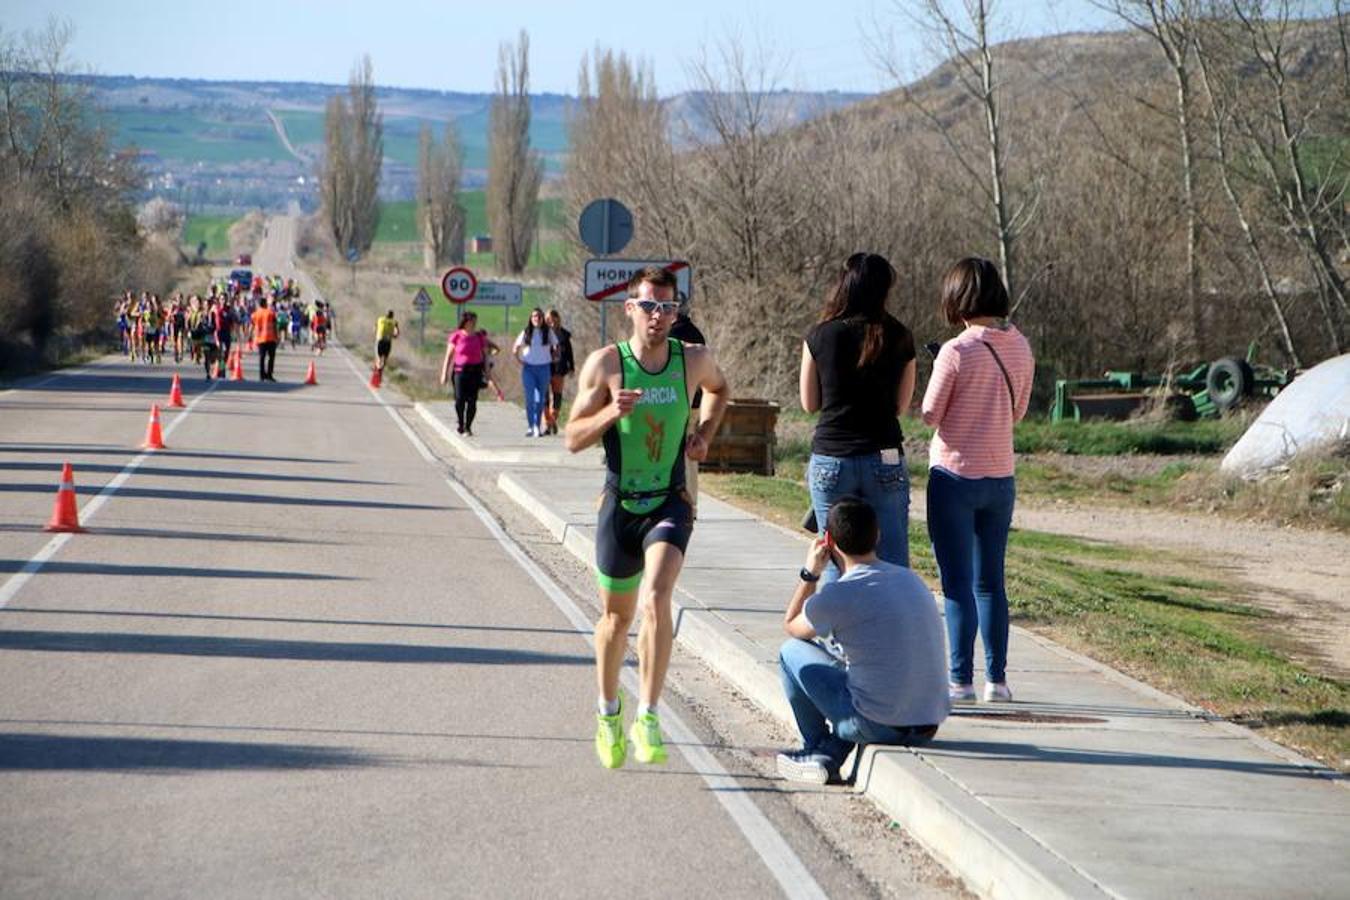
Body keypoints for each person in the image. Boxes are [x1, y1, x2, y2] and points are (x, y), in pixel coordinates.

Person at [564, 266, 729, 769]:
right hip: (621, 505)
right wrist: (613, 413)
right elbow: (572, 437)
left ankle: (649, 715)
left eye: (668, 307)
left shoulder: (692, 359)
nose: (659, 316)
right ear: (630, 308)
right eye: (649, 306)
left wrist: (703, 433)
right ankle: (609, 712)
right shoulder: (606, 365)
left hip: (669, 500)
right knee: (616, 621)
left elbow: (720, 390)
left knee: (658, 598)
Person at [921, 257, 1034, 704]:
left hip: (953, 474)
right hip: (1000, 476)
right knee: (991, 582)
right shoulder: (1021, 345)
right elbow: (1019, 412)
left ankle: (959, 680)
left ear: (957, 299)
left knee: (956, 584)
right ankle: (998, 681)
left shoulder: (955, 351)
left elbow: (930, 413)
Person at [777, 497, 949, 784]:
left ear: (828, 541)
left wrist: (810, 573)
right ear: (878, 534)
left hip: (877, 724)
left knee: (790, 652)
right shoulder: (912, 580)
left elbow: (792, 626)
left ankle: (818, 748)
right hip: (928, 723)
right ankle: (829, 752)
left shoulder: (839, 594)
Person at [800, 252, 917, 585]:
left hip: (832, 458)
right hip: (885, 456)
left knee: (834, 560)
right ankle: (890, 632)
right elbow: (900, 407)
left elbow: (809, 403)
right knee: (893, 559)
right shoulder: (900, 336)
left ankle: (841, 633)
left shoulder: (820, 336)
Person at [668, 298, 706, 518]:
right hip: (695, 402)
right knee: (689, 453)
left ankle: (682, 502)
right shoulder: (696, 333)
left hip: (676, 401)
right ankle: (691, 503)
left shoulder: (670, 337)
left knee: (675, 453)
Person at [440, 312, 498, 435]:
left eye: (475, 321)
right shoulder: (456, 336)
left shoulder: (479, 337)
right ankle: (461, 423)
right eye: (472, 321)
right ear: (465, 322)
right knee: (459, 400)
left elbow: (486, 356)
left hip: (475, 372)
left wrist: (487, 373)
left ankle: (468, 426)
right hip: (460, 372)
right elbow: (448, 356)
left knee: (472, 401)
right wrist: (444, 373)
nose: (474, 324)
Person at [512, 307, 559, 437]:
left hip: (544, 368)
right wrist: (519, 360)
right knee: (530, 399)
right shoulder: (526, 332)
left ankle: (537, 426)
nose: (536, 319)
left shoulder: (547, 332)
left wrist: (555, 355)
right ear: (530, 319)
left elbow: (556, 345)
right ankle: (530, 426)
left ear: (542, 318)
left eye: (538, 316)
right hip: (529, 369)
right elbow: (515, 348)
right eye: (534, 316)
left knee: (540, 400)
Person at [543, 309, 575, 436]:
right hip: (544, 368)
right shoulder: (541, 334)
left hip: (559, 369)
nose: (551, 322)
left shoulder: (564, 334)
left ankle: (551, 422)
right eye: (548, 319)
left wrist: (572, 367)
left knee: (557, 397)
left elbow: (569, 352)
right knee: (544, 398)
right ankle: (549, 421)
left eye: (553, 319)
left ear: (557, 319)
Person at [251, 296, 279, 382]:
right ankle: (269, 375)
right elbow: (274, 326)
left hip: (260, 339)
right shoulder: (271, 313)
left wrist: (250, 336)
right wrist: (277, 337)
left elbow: (252, 325)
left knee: (262, 358)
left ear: (259, 304)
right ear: (265, 304)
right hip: (271, 338)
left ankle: (262, 375)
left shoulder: (255, 314)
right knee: (271, 357)